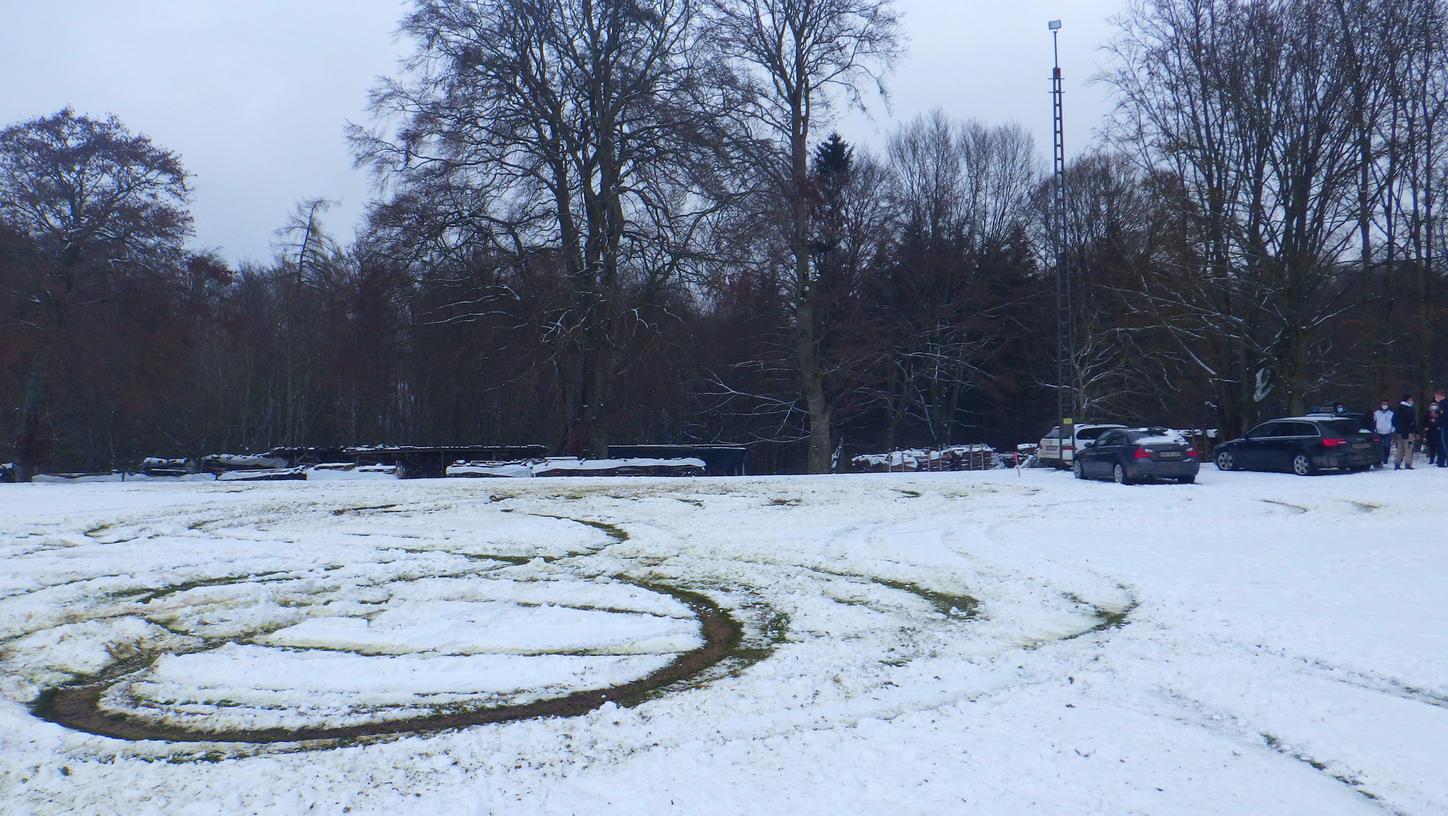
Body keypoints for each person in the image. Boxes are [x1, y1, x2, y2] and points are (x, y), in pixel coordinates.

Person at [1392, 394, 1418, 470]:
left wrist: (1398, 429)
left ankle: (1397, 464)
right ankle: (1408, 464)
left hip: (1399, 433)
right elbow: (1412, 422)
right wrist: (1416, 432)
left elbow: (1393, 421)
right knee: (1409, 449)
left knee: (1400, 448)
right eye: (1411, 399)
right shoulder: (1409, 410)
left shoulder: (1397, 409)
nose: (1412, 401)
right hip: (1408, 433)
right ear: (1408, 400)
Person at [1373, 399, 1396, 466]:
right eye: (1383, 404)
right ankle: (1379, 460)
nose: (1384, 405)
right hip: (1378, 433)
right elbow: (1373, 422)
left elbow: (1394, 422)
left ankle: (1385, 460)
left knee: (1386, 447)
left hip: (1388, 433)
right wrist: (1375, 430)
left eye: (1386, 404)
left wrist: (1392, 430)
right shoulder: (1376, 413)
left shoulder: (1391, 413)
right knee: (1379, 447)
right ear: (1380, 405)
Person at [1427, 402, 1443, 466]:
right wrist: (1427, 425)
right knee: (1431, 446)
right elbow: (1425, 421)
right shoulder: (1427, 413)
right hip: (1430, 432)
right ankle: (1431, 459)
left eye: (1435, 405)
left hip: (1437, 432)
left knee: (1438, 446)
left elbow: (1441, 420)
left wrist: (1436, 422)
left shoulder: (1440, 413)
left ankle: (1438, 459)